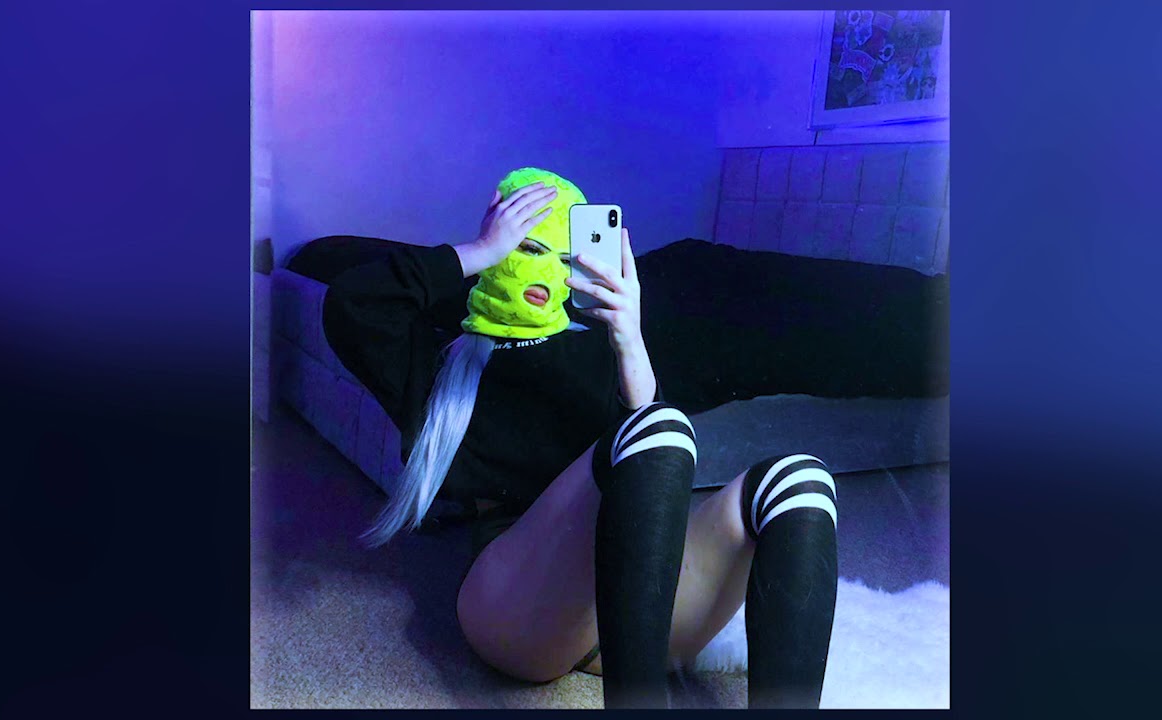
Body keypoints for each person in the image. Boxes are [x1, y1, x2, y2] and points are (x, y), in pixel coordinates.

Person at [322, 167, 839, 709]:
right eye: (529, 247)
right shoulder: (443, 366)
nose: (546, 269)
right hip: (519, 613)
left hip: (631, 614)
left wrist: (630, 338)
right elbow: (351, 303)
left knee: (799, 480)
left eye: (564, 258)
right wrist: (477, 252)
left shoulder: (595, 351)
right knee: (657, 428)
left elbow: (654, 464)